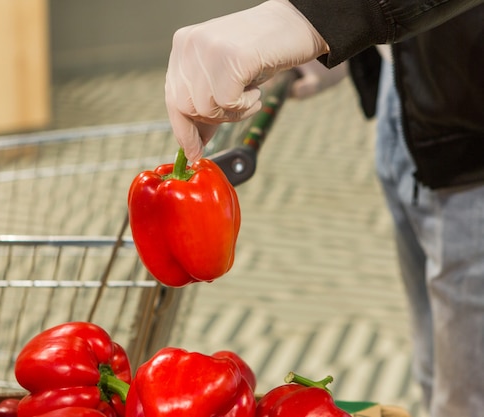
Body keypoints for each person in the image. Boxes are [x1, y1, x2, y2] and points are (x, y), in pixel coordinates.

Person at [163, 1, 484, 416]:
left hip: (472, 123)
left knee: (469, 391)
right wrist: (351, 45)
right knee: (435, 360)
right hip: (410, 99)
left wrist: (322, 14)